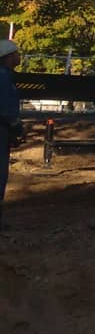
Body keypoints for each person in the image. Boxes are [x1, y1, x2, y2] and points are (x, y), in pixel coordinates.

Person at [0, 39, 24, 232]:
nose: (19, 56)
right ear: (8, 57)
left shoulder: (6, 76)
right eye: (16, 53)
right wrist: (17, 129)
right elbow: (7, 108)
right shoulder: (3, 77)